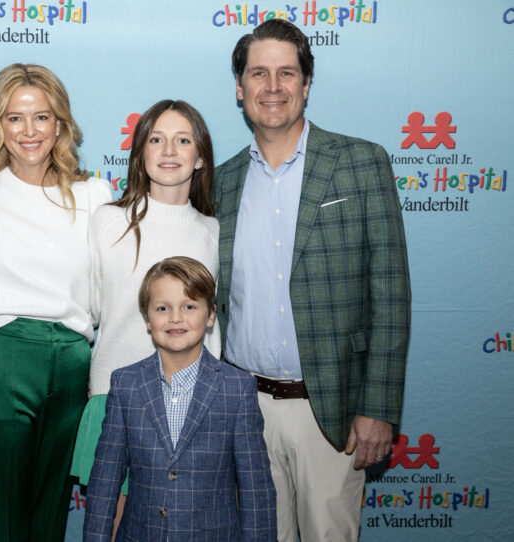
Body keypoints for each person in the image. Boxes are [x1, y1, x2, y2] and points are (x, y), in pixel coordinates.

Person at [211, 18, 412, 541]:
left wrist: (378, 408)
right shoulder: (222, 180)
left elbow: (390, 294)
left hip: (331, 413)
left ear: (305, 84)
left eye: (286, 73)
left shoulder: (361, 163)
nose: (272, 87)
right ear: (240, 88)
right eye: (258, 73)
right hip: (244, 411)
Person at [0, 63, 113, 542]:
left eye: (42, 117)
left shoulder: (94, 194)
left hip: (71, 363)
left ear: (61, 123)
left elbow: (109, 292)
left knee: (48, 517)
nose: (29, 132)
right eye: (14, 118)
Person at [70, 99, 220, 537]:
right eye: (156, 139)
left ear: (200, 157)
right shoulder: (107, 222)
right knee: (111, 526)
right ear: (139, 153)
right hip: (115, 398)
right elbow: (93, 307)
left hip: (193, 408)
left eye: (183, 140)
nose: (169, 150)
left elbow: (215, 324)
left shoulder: (214, 232)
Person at [84, 256, 276, 542]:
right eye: (163, 308)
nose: (175, 317)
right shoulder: (126, 385)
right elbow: (104, 482)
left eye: (189, 306)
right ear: (148, 319)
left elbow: (255, 491)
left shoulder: (237, 388)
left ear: (210, 315)